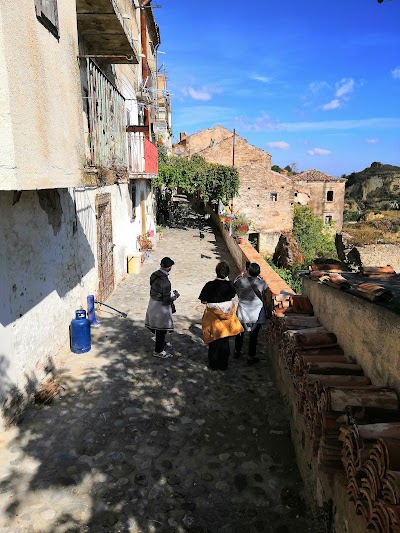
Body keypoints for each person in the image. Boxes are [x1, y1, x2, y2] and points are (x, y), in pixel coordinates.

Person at [198, 261, 243, 370]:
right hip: (227, 316)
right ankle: (224, 364)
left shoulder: (209, 285)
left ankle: (213, 364)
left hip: (213, 318)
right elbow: (232, 295)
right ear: (227, 273)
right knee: (224, 340)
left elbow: (203, 301)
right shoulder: (230, 285)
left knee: (214, 341)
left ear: (216, 272)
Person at [145, 257, 180, 359]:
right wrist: (175, 296)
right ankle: (158, 351)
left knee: (154, 324)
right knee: (161, 328)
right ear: (169, 268)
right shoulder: (165, 282)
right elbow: (166, 300)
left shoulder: (154, 274)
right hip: (161, 307)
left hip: (153, 303)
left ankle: (161, 343)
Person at [234, 262, 268, 365]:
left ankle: (237, 351)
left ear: (248, 271)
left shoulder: (241, 282)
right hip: (256, 313)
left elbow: (235, 282)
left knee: (239, 333)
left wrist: (241, 274)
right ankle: (251, 356)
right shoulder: (262, 283)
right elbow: (265, 287)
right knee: (254, 336)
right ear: (258, 272)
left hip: (242, 312)